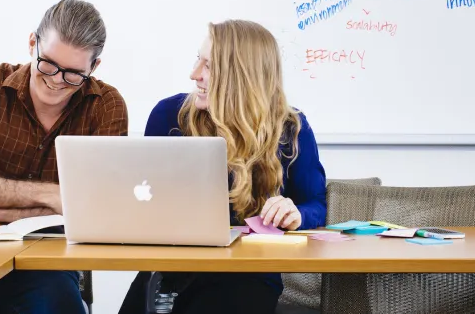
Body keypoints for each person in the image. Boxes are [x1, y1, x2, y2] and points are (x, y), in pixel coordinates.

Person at [118, 20, 327, 314]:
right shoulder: (169, 115)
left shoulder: (291, 128)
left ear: (242, 76)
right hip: (170, 269)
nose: (194, 74)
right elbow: (140, 198)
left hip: (246, 275)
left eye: (210, 66)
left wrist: (296, 213)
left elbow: (316, 204)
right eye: (198, 59)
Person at [0, 0, 128, 314]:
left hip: (52, 259)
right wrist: (52, 196)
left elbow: (98, 208)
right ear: (32, 43)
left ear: (93, 68)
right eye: (49, 64)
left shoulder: (105, 105)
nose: (56, 81)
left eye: (72, 74)